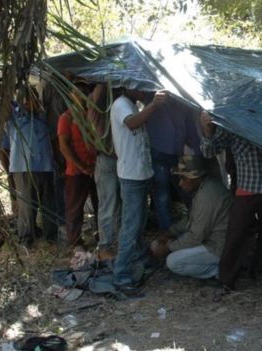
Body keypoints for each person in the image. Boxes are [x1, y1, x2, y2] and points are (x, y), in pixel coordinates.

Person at [200, 111, 262, 293]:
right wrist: (207, 128)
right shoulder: (231, 123)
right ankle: (227, 279)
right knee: (236, 234)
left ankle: (258, 270)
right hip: (248, 186)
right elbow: (209, 151)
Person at [110, 87, 167, 296]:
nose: (144, 90)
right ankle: (121, 276)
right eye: (139, 86)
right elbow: (132, 122)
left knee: (139, 222)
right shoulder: (121, 105)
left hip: (141, 173)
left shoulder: (133, 104)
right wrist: (153, 106)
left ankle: (140, 260)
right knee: (130, 226)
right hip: (131, 175)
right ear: (126, 86)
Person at [150, 156, 232, 279]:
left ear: (196, 177)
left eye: (183, 178)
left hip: (218, 246)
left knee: (173, 261)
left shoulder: (207, 196)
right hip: (213, 239)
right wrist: (171, 232)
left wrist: (168, 247)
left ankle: (220, 270)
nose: (180, 183)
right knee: (178, 243)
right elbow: (190, 218)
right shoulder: (205, 186)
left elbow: (195, 236)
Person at [5, 86, 57, 244]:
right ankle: (27, 237)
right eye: (31, 98)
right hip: (23, 167)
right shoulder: (14, 117)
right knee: (27, 205)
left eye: (35, 97)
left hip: (46, 166)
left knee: (49, 203)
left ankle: (51, 236)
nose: (35, 101)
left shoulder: (43, 117)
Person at [146, 96, 202, 230]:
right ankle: (170, 231)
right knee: (164, 194)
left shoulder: (160, 97)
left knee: (174, 191)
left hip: (174, 152)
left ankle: (192, 225)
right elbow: (190, 131)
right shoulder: (157, 97)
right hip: (163, 151)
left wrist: (197, 152)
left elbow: (190, 130)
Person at [57, 85, 98, 247]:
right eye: (77, 94)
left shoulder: (91, 117)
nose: (81, 97)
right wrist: (82, 167)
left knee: (100, 205)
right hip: (76, 171)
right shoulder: (66, 118)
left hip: (95, 168)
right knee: (75, 208)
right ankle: (75, 242)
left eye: (83, 94)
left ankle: (102, 237)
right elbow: (64, 147)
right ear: (72, 96)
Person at [86, 84, 120, 260]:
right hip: (107, 158)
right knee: (108, 204)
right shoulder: (98, 101)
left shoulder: (103, 104)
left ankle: (112, 244)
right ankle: (105, 247)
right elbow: (99, 93)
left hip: (113, 158)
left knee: (114, 204)